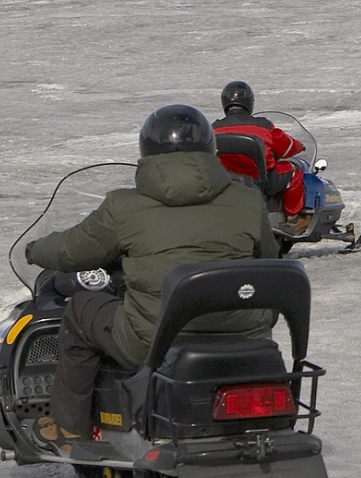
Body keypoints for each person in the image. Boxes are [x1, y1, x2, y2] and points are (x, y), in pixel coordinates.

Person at [25, 104, 277, 452]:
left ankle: (68, 427)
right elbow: (268, 261)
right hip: (243, 333)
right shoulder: (248, 202)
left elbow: (72, 250)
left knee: (82, 309)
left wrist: (36, 250)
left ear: (147, 153)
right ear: (209, 149)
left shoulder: (124, 207)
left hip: (154, 340)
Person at [213, 80, 307, 217]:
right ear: (249, 103)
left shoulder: (214, 129)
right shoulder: (264, 126)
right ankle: (293, 217)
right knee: (294, 170)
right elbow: (287, 147)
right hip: (260, 182)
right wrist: (300, 146)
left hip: (225, 183)